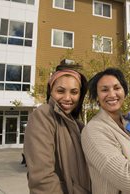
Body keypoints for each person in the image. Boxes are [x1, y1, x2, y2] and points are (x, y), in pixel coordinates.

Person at [24, 60, 91, 194]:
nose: (67, 98)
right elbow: (42, 178)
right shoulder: (43, 115)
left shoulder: (78, 125)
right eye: (60, 91)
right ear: (51, 91)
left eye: (74, 92)